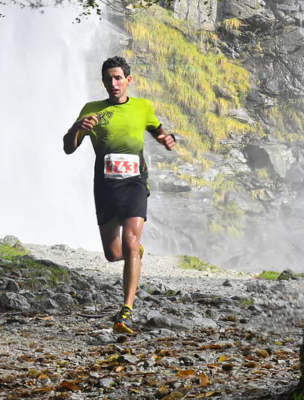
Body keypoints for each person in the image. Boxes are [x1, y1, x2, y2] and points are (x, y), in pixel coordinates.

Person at [63, 56, 175, 334]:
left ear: (128, 80)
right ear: (103, 82)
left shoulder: (142, 106)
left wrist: (166, 138)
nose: (113, 83)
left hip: (135, 182)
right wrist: (77, 128)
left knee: (130, 240)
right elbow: (68, 147)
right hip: (105, 185)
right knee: (113, 254)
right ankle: (134, 254)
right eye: (108, 79)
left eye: (118, 78)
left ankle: (126, 310)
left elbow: (156, 128)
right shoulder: (92, 109)